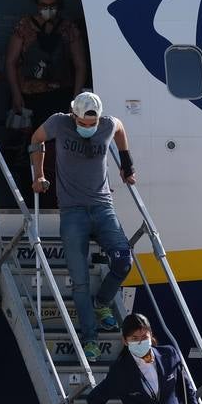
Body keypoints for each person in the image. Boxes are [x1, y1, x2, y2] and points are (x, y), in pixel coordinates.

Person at [30, 91, 135, 362]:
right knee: (79, 282)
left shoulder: (108, 124)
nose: (89, 128)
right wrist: (39, 175)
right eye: (84, 123)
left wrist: (127, 164)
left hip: (103, 207)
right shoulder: (59, 123)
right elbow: (36, 139)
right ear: (73, 114)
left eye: (93, 124)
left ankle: (102, 303)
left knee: (124, 261)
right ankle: (90, 339)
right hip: (72, 211)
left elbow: (121, 128)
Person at [6, 0, 87, 130]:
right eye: (43, 5)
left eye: (52, 5)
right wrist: (16, 94)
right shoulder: (24, 26)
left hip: (61, 95)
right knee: (32, 141)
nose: (48, 9)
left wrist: (76, 99)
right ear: (37, 4)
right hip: (30, 96)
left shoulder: (68, 28)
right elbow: (11, 62)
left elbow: (80, 65)